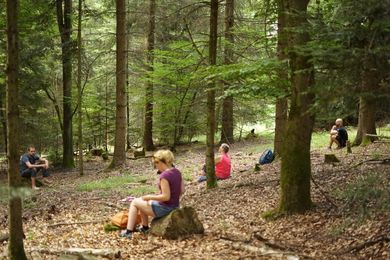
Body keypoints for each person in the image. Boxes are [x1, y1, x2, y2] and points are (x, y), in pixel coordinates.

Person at [120, 150, 184, 239]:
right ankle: (145, 228)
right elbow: (182, 191)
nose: (155, 166)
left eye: (155, 164)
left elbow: (166, 197)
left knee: (134, 202)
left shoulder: (164, 176)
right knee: (142, 202)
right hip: (174, 206)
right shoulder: (177, 172)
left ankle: (128, 232)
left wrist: (150, 197)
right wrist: (155, 199)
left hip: (164, 208)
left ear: (160, 162)